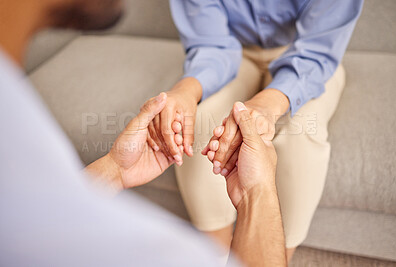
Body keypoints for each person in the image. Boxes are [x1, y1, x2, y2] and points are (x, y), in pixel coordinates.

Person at [0, 0, 286, 266]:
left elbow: (44, 212)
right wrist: (257, 193)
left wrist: (114, 168)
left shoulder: (17, 121)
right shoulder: (166, 254)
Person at [147, 0, 364, 261]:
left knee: (300, 135)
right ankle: (214, 257)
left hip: (306, 54)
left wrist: (266, 105)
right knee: (201, 123)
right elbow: (211, 45)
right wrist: (186, 91)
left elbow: (317, 52)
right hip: (231, 53)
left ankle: (277, 257)